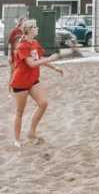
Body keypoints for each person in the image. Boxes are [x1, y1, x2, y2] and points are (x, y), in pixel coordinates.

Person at [10, 19, 63, 147]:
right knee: (19, 112)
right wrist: (51, 58)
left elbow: (40, 59)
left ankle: (31, 133)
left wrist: (54, 67)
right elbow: (32, 63)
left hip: (33, 81)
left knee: (43, 103)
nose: (37, 28)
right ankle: (17, 139)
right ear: (28, 30)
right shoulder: (22, 46)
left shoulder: (35, 43)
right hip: (20, 83)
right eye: (35, 27)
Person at [7, 16, 25, 93]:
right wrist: (9, 55)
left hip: (21, 56)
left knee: (21, 73)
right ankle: (9, 91)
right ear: (21, 22)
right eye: (25, 21)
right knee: (13, 73)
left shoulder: (25, 32)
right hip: (13, 55)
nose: (26, 23)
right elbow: (9, 44)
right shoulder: (14, 31)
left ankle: (20, 89)